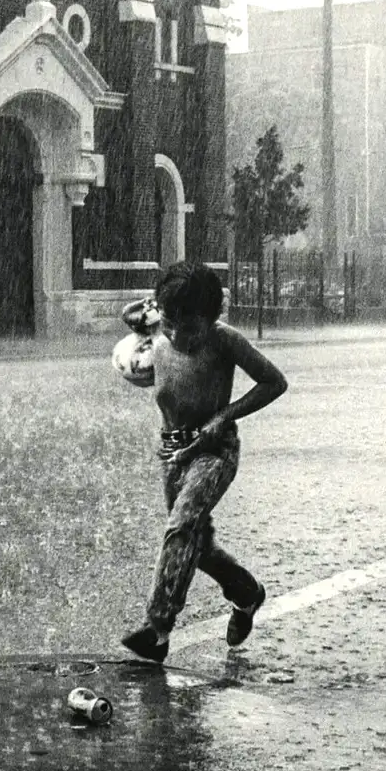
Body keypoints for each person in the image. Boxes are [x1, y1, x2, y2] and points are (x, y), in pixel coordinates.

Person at [116, 259, 288, 663]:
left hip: (213, 451)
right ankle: (245, 592)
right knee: (196, 545)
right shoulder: (157, 329)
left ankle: (157, 630)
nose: (177, 334)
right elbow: (134, 326)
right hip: (172, 452)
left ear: (211, 319)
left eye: (189, 327)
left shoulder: (224, 340)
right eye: (170, 322)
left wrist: (223, 416)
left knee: (180, 526)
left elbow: (274, 382)